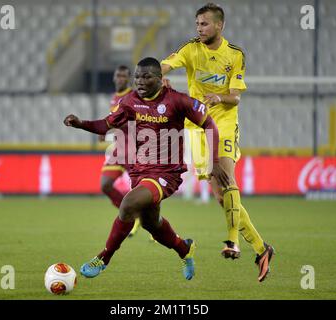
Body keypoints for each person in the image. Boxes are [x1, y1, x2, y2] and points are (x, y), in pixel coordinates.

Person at [64, 57, 229, 280]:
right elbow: (107, 124)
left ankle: (103, 258)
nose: (140, 81)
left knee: (128, 204)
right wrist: (81, 123)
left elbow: (209, 123)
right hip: (139, 171)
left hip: (166, 173)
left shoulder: (177, 100)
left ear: (160, 80)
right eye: (137, 77)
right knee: (151, 224)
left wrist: (215, 162)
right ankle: (184, 249)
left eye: (146, 76)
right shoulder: (130, 101)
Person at [161, 3, 274, 282]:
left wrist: (218, 97)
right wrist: (160, 73)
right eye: (197, 24)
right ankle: (262, 249)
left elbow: (235, 96)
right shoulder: (191, 49)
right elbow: (167, 62)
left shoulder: (234, 55)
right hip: (197, 126)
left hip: (223, 122)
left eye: (204, 24)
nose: (199, 29)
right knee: (221, 196)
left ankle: (233, 241)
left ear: (219, 26)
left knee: (226, 175)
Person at [99, 65, 140, 237]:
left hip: (134, 149)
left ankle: (155, 224)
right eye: (118, 75)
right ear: (114, 77)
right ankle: (132, 215)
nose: (120, 78)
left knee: (142, 190)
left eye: (124, 76)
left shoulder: (133, 97)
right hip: (119, 149)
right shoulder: (115, 97)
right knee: (105, 184)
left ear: (129, 78)